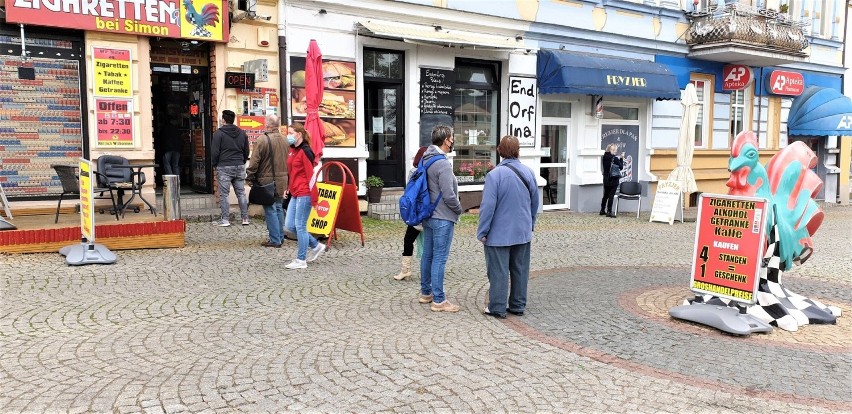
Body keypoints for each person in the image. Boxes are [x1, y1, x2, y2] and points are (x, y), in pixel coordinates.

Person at [477, 136, 539, 319]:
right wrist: (530, 224)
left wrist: (483, 231)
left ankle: (497, 306)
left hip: (498, 233)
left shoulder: (494, 175)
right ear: (518, 150)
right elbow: (535, 203)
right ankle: (518, 305)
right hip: (522, 231)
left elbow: (487, 207)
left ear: (499, 150)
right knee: (520, 269)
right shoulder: (529, 172)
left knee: (499, 270)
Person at [419, 125, 462, 312]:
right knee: (439, 258)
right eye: (452, 138)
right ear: (446, 140)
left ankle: (425, 292)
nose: (453, 141)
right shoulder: (443, 164)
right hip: (443, 217)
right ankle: (439, 300)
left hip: (428, 215)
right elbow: (449, 195)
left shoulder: (426, 159)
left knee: (427, 255)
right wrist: (459, 209)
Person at [283, 123, 325, 270]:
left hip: (304, 193)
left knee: (300, 226)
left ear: (299, 134)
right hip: (295, 192)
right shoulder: (292, 150)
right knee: (289, 226)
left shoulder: (306, 151)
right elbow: (291, 172)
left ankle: (301, 260)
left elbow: (311, 176)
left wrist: (314, 198)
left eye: (290, 133)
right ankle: (315, 245)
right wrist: (288, 188)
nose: (288, 135)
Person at [246, 114, 289, 247]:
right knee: (278, 207)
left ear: (268, 125)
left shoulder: (262, 140)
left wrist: (250, 176)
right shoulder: (285, 140)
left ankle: (275, 239)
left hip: (266, 180)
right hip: (283, 180)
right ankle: (280, 237)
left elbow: (254, 162)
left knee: (270, 209)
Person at [394, 145, 429, 281]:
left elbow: (409, 192)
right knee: (429, 243)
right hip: (429, 212)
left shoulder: (414, 171)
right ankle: (429, 271)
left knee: (408, 239)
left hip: (416, 213)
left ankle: (406, 270)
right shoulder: (432, 171)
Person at [211, 109, 250, 227]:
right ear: (233, 120)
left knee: (224, 194)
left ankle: (225, 219)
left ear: (223, 120)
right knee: (241, 193)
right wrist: (242, 162)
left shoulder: (219, 133)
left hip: (224, 166)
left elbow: (215, 152)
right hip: (239, 165)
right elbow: (246, 151)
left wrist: (215, 164)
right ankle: (245, 218)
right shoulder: (242, 133)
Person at [600, 143, 624, 218]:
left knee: (605, 195)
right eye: (615, 150)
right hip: (613, 179)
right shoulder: (615, 158)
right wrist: (621, 158)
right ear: (612, 150)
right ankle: (609, 211)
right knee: (611, 195)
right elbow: (621, 167)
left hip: (606, 178)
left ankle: (602, 210)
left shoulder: (604, 157)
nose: (616, 152)